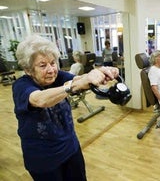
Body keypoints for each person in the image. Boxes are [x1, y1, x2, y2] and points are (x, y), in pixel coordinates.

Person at [12, 35, 119, 181]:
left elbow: (78, 79)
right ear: (28, 70)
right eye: (43, 65)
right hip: (44, 159)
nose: (51, 70)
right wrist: (72, 86)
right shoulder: (21, 86)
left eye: (53, 63)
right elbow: (40, 99)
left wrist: (99, 73)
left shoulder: (58, 76)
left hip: (71, 148)